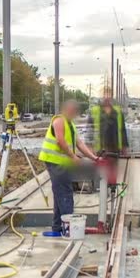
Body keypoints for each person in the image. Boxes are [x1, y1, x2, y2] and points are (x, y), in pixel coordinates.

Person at [38, 99, 100, 237]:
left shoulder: (70, 124)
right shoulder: (59, 120)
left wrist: (94, 158)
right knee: (65, 194)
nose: (75, 113)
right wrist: (73, 157)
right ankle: (69, 229)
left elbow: (79, 143)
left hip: (62, 163)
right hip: (55, 162)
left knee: (60, 193)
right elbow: (60, 141)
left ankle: (57, 228)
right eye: (73, 110)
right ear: (66, 109)